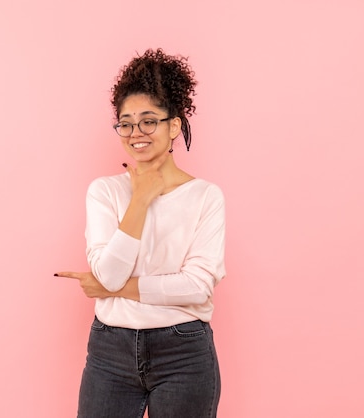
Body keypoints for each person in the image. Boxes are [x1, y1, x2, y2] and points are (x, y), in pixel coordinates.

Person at [55, 48, 226, 418]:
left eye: (149, 121)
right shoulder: (104, 191)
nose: (136, 133)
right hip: (110, 350)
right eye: (126, 122)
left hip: (184, 351)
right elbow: (111, 273)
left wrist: (112, 289)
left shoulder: (205, 196)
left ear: (174, 126)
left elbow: (197, 286)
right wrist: (142, 198)